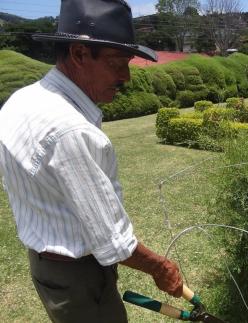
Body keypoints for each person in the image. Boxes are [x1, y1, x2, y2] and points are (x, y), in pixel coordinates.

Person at [0, 0, 183, 322]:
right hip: (78, 277)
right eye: (117, 63)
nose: (126, 76)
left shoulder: (23, 99)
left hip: (47, 266)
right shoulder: (69, 130)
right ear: (80, 54)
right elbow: (111, 240)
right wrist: (161, 268)